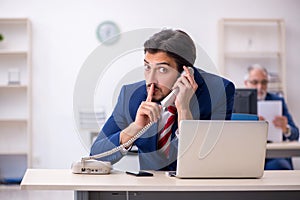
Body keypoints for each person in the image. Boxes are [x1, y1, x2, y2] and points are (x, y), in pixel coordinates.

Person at [90, 29, 235, 171]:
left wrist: (184, 110)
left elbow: (209, 160)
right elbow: (96, 156)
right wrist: (135, 128)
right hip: (150, 191)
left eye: (162, 70)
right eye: (147, 67)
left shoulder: (218, 91)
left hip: (195, 190)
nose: (150, 79)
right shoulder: (131, 95)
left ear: (185, 73)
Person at [244, 64, 299, 170]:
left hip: (274, 155)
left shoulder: (278, 100)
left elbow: (295, 134)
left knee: (279, 166)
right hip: (248, 153)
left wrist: (285, 128)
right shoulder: (238, 101)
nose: (260, 87)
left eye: (264, 82)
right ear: (246, 83)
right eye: (255, 82)